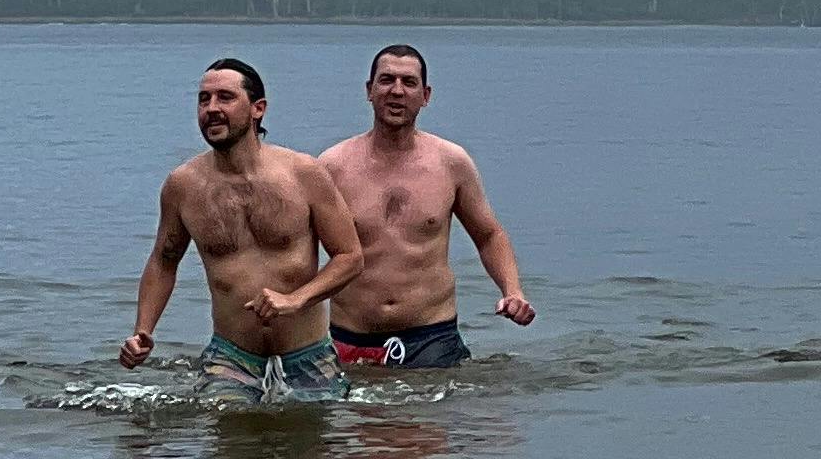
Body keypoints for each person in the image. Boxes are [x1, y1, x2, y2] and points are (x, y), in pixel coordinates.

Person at [119, 58, 365, 403]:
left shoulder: (303, 173)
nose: (211, 109)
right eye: (204, 100)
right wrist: (142, 331)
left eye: (225, 98)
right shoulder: (183, 186)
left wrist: (296, 299)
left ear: (257, 109)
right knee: (231, 449)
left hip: (308, 355)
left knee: (311, 456)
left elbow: (351, 257)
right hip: (231, 357)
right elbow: (164, 261)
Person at [303, 46, 535, 372]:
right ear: (369, 91)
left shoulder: (451, 163)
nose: (397, 90)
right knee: (351, 424)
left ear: (425, 95)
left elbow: (488, 234)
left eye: (409, 82)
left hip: (431, 339)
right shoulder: (332, 166)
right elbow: (299, 249)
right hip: (348, 338)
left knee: (431, 423)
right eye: (386, 80)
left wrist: (513, 291)